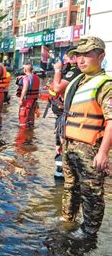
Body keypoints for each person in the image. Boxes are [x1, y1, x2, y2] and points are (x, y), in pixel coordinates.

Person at [61, 36, 112, 239]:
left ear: (101, 56)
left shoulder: (105, 85)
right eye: (78, 55)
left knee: (91, 193)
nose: (81, 60)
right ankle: (67, 220)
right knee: (70, 186)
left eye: (86, 55)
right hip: (70, 145)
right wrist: (61, 143)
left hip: (90, 149)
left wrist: (103, 153)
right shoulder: (78, 81)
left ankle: (89, 232)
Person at [49, 48, 82, 179]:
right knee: (61, 144)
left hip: (67, 117)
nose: (64, 62)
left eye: (66, 59)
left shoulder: (75, 71)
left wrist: (57, 70)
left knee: (63, 145)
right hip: (63, 116)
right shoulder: (71, 71)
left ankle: (62, 172)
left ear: (74, 58)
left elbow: (57, 88)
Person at [17, 63, 40, 127]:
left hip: (27, 101)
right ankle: (30, 133)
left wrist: (21, 100)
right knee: (31, 117)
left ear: (25, 70)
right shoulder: (37, 78)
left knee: (23, 117)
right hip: (34, 101)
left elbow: (25, 89)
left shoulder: (26, 78)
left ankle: (23, 134)